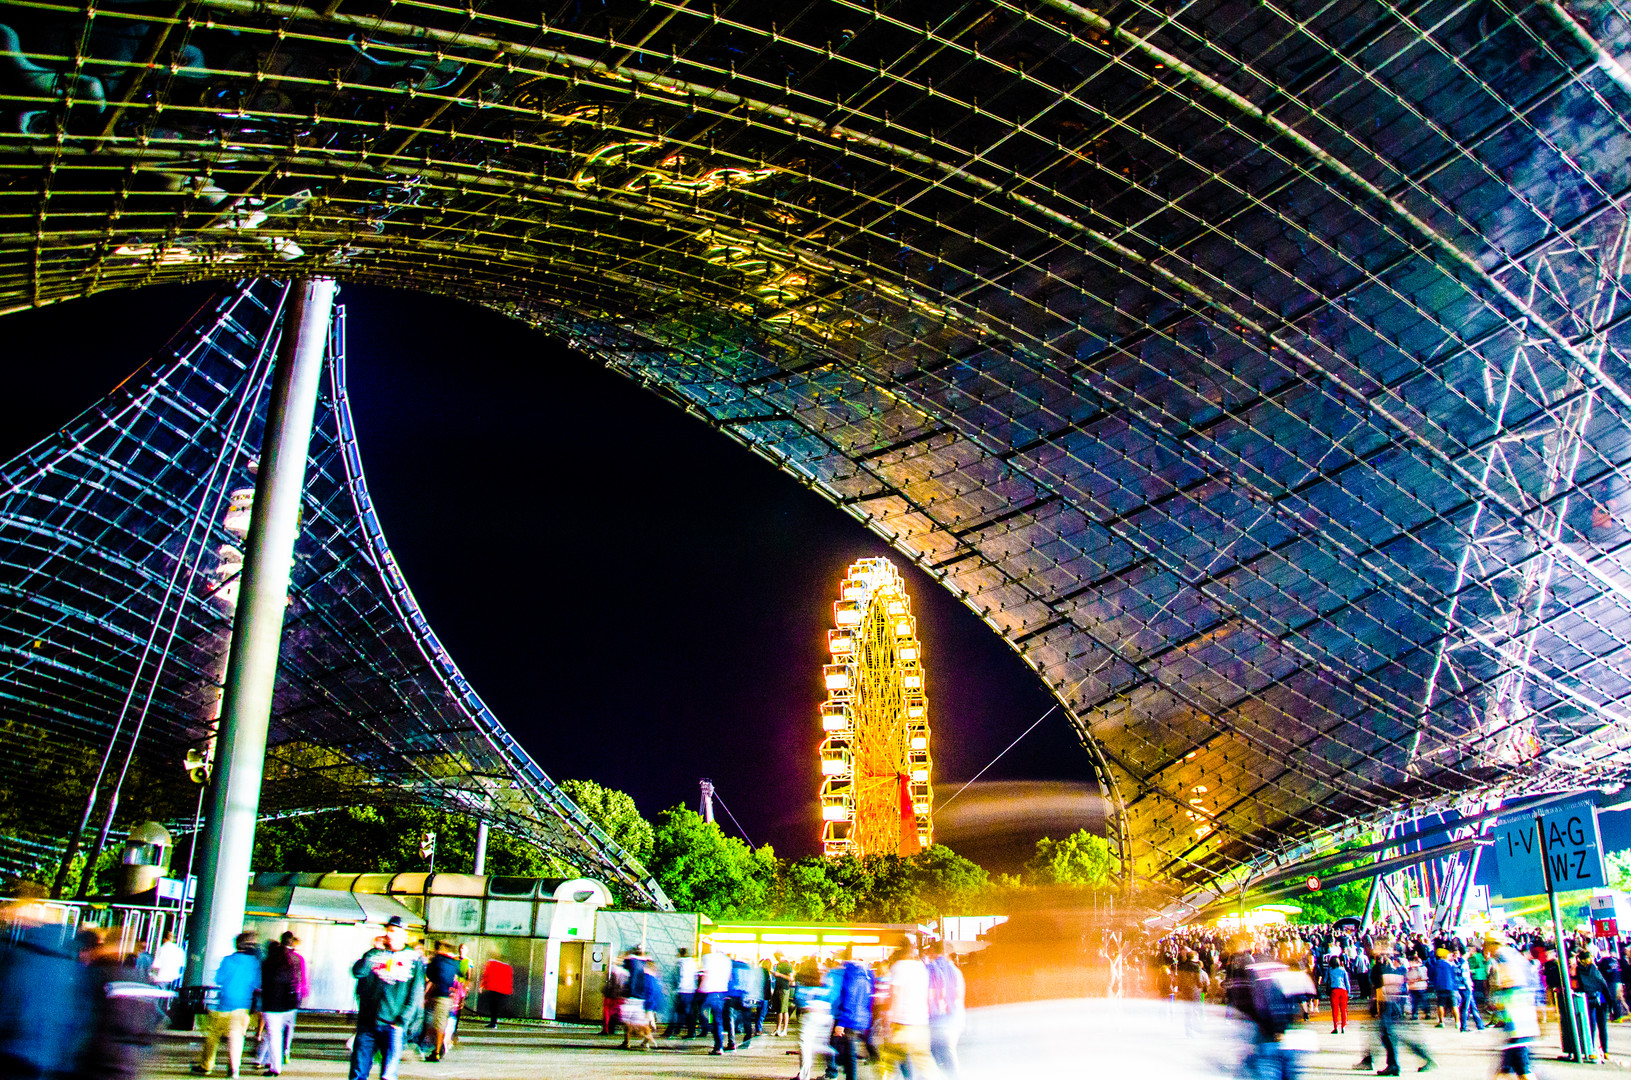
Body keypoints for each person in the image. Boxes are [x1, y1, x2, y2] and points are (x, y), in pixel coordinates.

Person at [348, 916, 424, 1080]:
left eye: (394, 931)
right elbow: (358, 972)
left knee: (388, 1075)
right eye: (388, 930)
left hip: (392, 1025)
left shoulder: (413, 959)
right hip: (368, 1023)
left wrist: (402, 1020)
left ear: (404, 935)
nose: (390, 934)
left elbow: (416, 993)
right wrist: (373, 950)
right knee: (357, 1072)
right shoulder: (375, 954)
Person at [193, 933, 260, 1078]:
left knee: (213, 1036)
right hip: (243, 1006)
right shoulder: (254, 963)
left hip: (224, 1004)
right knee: (236, 1038)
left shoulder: (228, 960)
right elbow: (257, 983)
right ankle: (234, 1069)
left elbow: (219, 979)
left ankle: (207, 1065)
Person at [878, 943, 937, 1080]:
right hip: (921, 1024)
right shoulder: (921, 967)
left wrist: (888, 1018)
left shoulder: (898, 967)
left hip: (901, 1024)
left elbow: (895, 995)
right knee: (925, 1063)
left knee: (888, 1062)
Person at [1487, 933, 1539, 1080]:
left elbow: (1509, 979)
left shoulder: (1502, 956)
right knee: (1510, 1064)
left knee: (1521, 1064)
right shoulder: (1513, 954)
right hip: (1520, 1017)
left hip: (1516, 1019)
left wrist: (1498, 1000)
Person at [257, 933, 306, 1076]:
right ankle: (284, 1054)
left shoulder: (267, 962)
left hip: (271, 1004)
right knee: (285, 1031)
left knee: (273, 1035)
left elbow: (262, 983)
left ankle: (274, 1066)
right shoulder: (295, 959)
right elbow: (297, 980)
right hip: (289, 1003)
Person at [831, 948, 874, 1080]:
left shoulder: (849, 972)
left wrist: (842, 1022)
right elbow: (871, 996)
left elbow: (849, 995)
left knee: (849, 1054)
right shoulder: (867, 972)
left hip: (849, 1018)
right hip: (863, 1017)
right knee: (850, 1052)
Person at [925, 941, 965, 1077]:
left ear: (936, 952)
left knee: (942, 1054)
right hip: (953, 1018)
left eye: (930, 951)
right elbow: (959, 995)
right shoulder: (955, 971)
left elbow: (928, 995)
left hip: (938, 1019)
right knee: (945, 1053)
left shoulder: (931, 969)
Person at [423, 941, 461, 1062]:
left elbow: (429, 975)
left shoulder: (437, 960)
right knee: (441, 1023)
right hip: (448, 997)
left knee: (435, 1024)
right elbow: (460, 975)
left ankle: (437, 1051)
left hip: (436, 995)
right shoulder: (454, 962)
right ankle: (439, 1047)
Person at [1577, 950, 1611, 1063]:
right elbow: (1603, 985)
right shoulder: (1594, 970)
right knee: (1602, 1026)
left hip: (1588, 1001)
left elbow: (1580, 987)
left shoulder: (1579, 971)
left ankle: (1590, 1049)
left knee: (1591, 1026)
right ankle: (1604, 1051)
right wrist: (1611, 1004)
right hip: (1601, 1000)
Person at [698, 943, 732, 1055]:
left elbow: (705, 974)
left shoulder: (708, 958)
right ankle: (719, 1046)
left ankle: (710, 1029)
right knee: (718, 1018)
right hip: (721, 992)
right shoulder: (727, 961)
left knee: (703, 1012)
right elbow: (729, 977)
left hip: (709, 991)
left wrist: (700, 988)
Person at [664, 948, 698, 1038]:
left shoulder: (680, 963)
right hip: (690, 991)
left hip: (681, 990)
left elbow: (678, 976)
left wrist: (676, 988)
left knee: (675, 1011)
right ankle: (691, 1032)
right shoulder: (693, 963)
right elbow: (696, 976)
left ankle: (671, 1031)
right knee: (688, 1013)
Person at [478, 957, 511, 1028]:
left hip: (493, 988)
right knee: (495, 1006)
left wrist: (482, 985)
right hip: (501, 989)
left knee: (493, 1006)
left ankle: (493, 1022)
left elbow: (486, 975)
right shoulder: (506, 966)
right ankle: (493, 1022)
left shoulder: (491, 964)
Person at [1325, 954, 1350, 1034]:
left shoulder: (1329, 970)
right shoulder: (1343, 969)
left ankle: (1335, 1027)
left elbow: (1325, 980)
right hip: (1343, 990)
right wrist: (1348, 991)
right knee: (1344, 1009)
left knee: (1335, 1010)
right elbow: (1347, 981)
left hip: (1334, 991)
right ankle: (1343, 1026)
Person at [773, 952, 794, 1037]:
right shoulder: (778, 965)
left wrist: (779, 975)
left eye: (777, 957)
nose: (776, 958)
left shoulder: (787, 965)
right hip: (778, 987)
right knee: (779, 1009)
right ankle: (778, 1029)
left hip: (784, 988)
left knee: (783, 1009)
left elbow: (791, 978)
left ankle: (784, 1029)